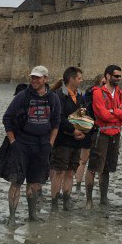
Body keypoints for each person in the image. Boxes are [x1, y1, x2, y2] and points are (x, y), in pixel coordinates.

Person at [1, 65, 61, 225]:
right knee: (17, 181)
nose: (34, 80)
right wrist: (13, 141)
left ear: (45, 79)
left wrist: (50, 143)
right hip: (23, 143)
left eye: (38, 77)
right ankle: (12, 217)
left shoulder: (53, 98)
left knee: (35, 182)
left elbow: (56, 123)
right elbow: (7, 118)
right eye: (32, 77)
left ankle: (32, 215)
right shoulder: (23, 96)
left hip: (42, 145)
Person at [86, 64, 122, 205]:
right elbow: (102, 114)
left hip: (115, 134)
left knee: (106, 168)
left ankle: (103, 199)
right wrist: (117, 113)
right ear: (108, 76)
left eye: (120, 76)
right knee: (94, 167)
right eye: (116, 76)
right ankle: (89, 200)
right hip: (102, 134)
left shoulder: (120, 93)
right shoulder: (98, 92)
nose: (118, 78)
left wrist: (113, 112)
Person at [49, 66, 88, 211]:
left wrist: (83, 130)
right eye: (79, 78)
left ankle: (66, 202)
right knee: (59, 171)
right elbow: (58, 117)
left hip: (76, 141)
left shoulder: (79, 96)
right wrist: (73, 130)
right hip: (62, 140)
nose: (81, 80)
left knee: (71, 172)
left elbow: (83, 116)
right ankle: (54, 203)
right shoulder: (58, 96)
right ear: (71, 79)